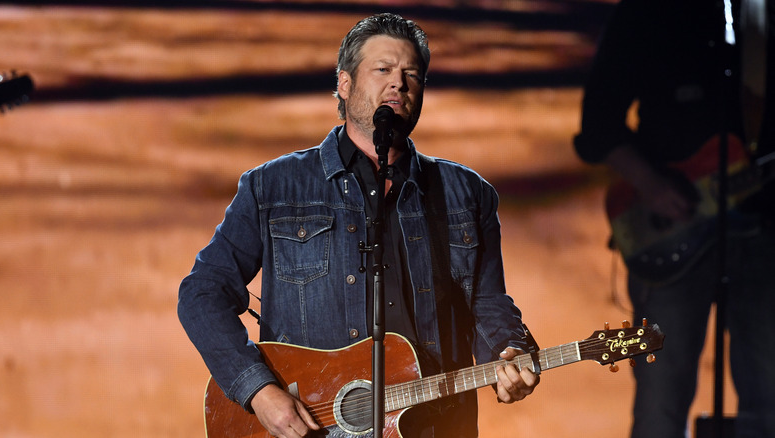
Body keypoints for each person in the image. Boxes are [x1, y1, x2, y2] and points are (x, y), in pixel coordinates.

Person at [178, 13, 539, 438]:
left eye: (411, 74)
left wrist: (508, 348)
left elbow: (488, 302)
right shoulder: (273, 187)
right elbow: (202, 293)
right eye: (383, 69)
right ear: (345, 84)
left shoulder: (468, 194)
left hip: (436, 426)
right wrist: (258, 391)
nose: (399, 84)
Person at [574, 0, 775, 437]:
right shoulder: (650, 11)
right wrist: (650, 182)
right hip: (668, 229)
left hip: (763, 228)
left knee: (769, 399)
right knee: (660, 402)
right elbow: (597, 124)